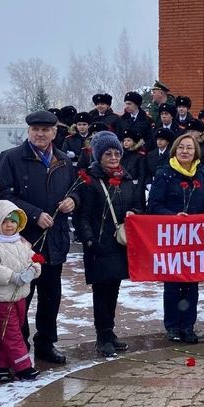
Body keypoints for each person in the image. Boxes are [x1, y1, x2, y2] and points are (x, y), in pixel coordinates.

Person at [0, 111, 78, 365]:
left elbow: (77, 191)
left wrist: (72, 201)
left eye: (45, 130)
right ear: (28, 131)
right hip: (22, 243)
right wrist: (33, 215)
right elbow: (3, 195)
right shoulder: (11, 158)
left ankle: (46, 343)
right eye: (35, 129)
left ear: (54, 132)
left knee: (51, 296)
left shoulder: (63, 160)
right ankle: (18, 345)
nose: (40, 134)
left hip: (54, 242)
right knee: (21, 297)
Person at [74, 132, 146, 357]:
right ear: (98, 156)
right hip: (98, 244)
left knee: (113, 290)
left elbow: (138, 205)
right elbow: (82, 215)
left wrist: (134, 212)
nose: (114, 157)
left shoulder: (125, 178)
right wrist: (89, 240)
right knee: (101, 292)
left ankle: (109, 331)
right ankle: (102, 336)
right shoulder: (90, 180)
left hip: (118, 244)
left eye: (117, 153)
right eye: (108, 153)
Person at [147, 133, 204, 343]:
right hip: (172, 237)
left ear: (196, 152)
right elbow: (154, 205)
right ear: (175, 150)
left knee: (192, 284)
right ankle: (173, 326)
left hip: (195, 239)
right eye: (182, 147)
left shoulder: (201, 174)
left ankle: (188, 325)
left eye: (190, 148)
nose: (185, 151)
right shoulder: (164, 173)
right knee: (173, 284)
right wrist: (173, 217)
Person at [0, 200, 42, 383]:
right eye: (4, 221)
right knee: (12, 334)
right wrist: (13, 276)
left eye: (12, 221)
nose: (9, 225)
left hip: (20, 296)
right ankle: (23, 367)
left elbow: (33, 259)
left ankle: (2, 366)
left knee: (9, 332)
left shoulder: (21, 242)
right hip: (3, 298)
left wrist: (33, 269)